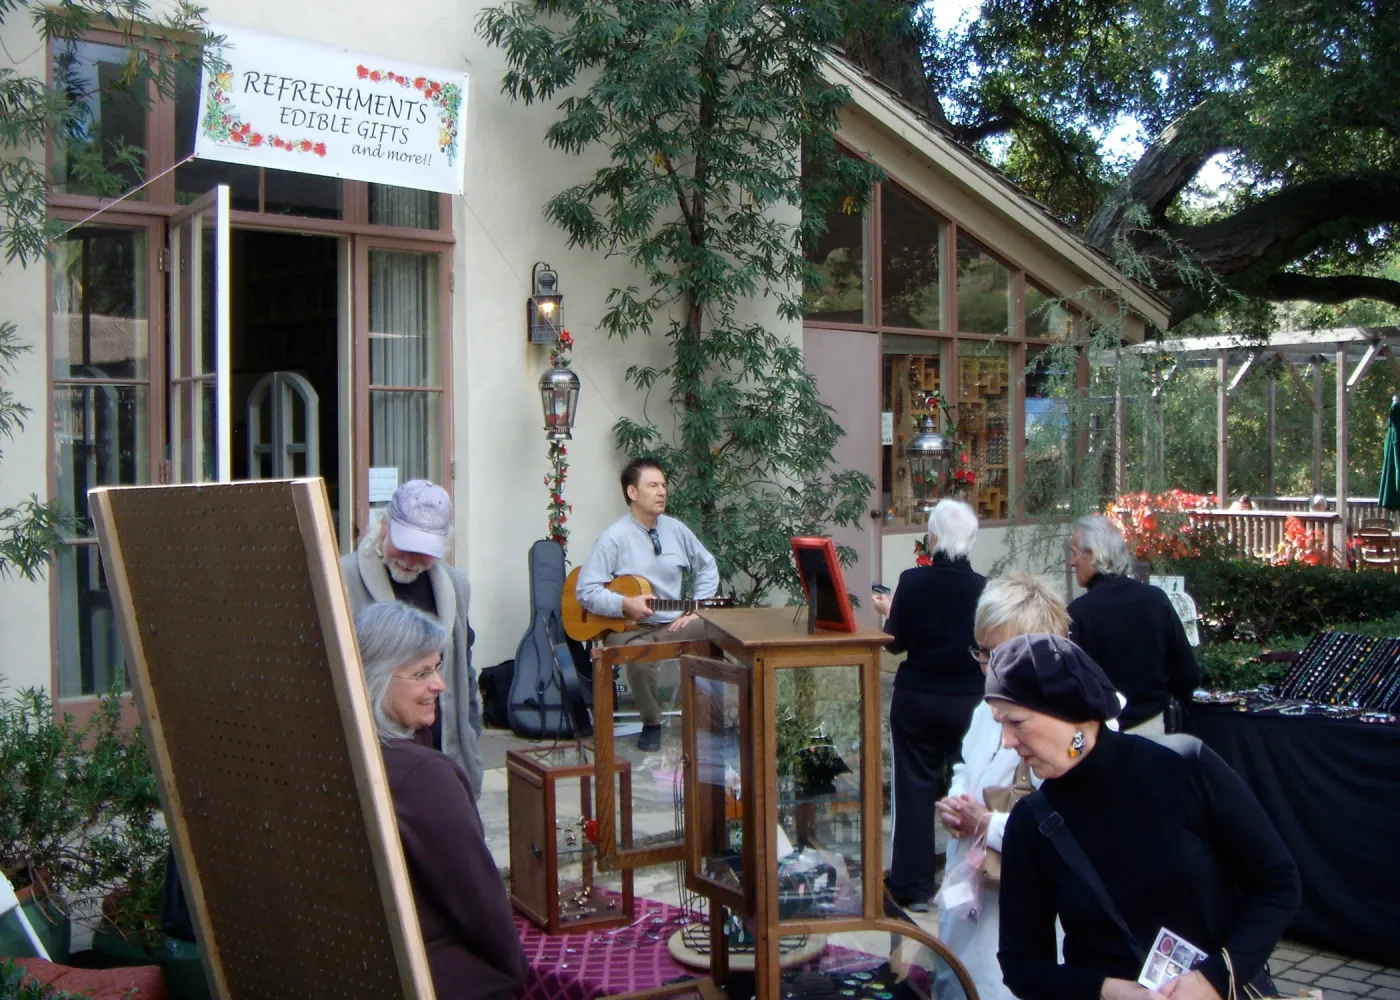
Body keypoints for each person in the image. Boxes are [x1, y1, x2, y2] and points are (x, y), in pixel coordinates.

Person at [989, 634, 1300, 1000]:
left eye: (1017, 722)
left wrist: (1215, 978)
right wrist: (1106, 990)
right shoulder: (1031, 821)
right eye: (1000, 724)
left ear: (1068, 710)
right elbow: (1022, 967)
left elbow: (1277, 881)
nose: (1007, 741)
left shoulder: (1184, 766)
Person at [355, 601, 529, 1000]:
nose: (439, 684)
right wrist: (514, 971)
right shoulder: (422, 776)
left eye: (436, 667)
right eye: (421, 673)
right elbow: (477, 900)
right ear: (375, 679)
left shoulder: (344, 752)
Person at [935, 572, 1069, 1000]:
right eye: (983, 653)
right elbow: (968, 764)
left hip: (1021, 912)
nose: (988, 667)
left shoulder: (1068, 724)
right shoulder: (985, 709)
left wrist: (988, 824)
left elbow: (1074, 831)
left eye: (1000, 654)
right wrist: (958, 804)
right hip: (969, 893)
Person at [872, 498, 985, 911]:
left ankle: (912, 886)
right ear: (970, 540)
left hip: (918, 697)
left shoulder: (912, 581)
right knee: (969, 792)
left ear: (933, 538)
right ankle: (966, 883)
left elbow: (896, 642)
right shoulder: (984, 589)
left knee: (913, 791)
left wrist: (889, 611)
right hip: (968, 703)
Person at [342, 480, 483, 797]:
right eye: (404, 544)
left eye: (424, 552)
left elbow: (465, 667)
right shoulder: (342, 581)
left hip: (444, 756)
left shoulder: (455, 587)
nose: (411, 558)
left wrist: (471, 731)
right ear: (384, 526)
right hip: (379, 762)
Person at [576, 457, 720, 752]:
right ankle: (652, 723)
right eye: (653, 485)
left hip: (673, 622)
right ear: (632, 493)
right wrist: (624, 603)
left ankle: (715, 720)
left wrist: (695, 610)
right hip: (629, 626)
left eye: (664, 485)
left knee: (716, 632)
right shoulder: (613, 538)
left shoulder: (677, 530)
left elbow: (707, 566)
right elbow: (586, 590)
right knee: (640, 658)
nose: (662, 492)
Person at [1066, 515, 1199, 734]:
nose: (1072, 562)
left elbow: (1072, 687)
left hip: (1100, 737)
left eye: (1074, 553)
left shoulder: (1078, 613)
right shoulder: (1155, 600)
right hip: (1153, 730)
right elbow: (1187, 674)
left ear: (1092, 555)